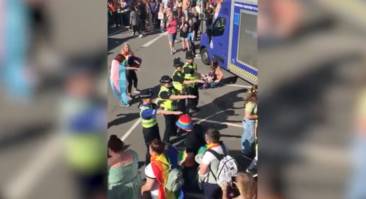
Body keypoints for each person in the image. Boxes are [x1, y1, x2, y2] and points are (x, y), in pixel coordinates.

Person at [139, 89, 182, 164]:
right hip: (148, 131)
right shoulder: (145, 111)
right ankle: (148, 164)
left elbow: (157, 105)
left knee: (158, 144)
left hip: (154, 127)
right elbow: (160, 111)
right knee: (150, 149)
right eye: (150, 97)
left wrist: (161, 103)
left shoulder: (149, 104)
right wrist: (174, 112)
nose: (152, 98)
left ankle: (159, 158)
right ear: (144, 99)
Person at [157, 75, 196, 143]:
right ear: (163, 84)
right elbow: (173, 97)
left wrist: (182, 91)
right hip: (167, 111)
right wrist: (187, 96)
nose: (170, 83)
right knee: (169, 125)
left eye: (170, 81)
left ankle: (174, 133)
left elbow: (177, 92)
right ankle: (165, 140)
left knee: (175, 121)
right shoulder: (163, 92)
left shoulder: (171, 87)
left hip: (174, 108)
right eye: (168, 82)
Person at [175, 114, 206, 193]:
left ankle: (193, 189)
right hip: (201, 153)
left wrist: (183, 164)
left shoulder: (190, 140)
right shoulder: (197, 127)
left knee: (191, 176)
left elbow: (190, 156)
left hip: (193, 160)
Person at [108, 135, 142, 199]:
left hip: (117, 193)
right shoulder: (133, 153)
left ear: (110, 149)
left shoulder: (110, 164)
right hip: (134, 188)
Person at [198, 128, 227, 199]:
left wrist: (199, 174)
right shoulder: (224, 146)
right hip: (223, 179)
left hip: (212, 182)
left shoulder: (209, 154)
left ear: (208, 140)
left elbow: (203, 171)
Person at [241, 89, 258, 158]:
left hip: (252, 122)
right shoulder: (251, 103)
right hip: (250, 122)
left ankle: (248, 151)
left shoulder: (255, 100)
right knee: (249, 137)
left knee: (250, 137)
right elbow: (248, 116)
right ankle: (246, 153)